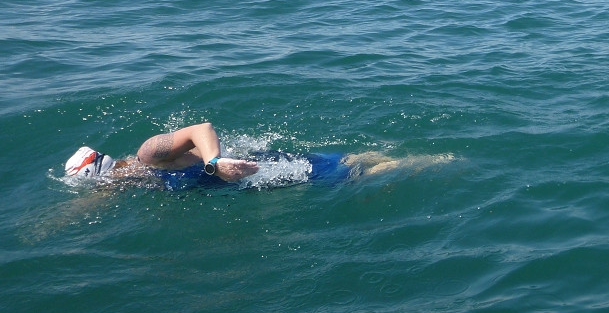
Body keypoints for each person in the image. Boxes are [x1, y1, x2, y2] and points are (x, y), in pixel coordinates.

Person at [64, 121, 436, 190]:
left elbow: (201, 129)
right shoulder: (144, 181)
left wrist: (214, 162)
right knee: (353, 163)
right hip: (253, 174)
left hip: (264, 166)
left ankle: (436, 162)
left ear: (107, 172)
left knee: (356, 174)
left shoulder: (148, 156)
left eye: (104, 186)